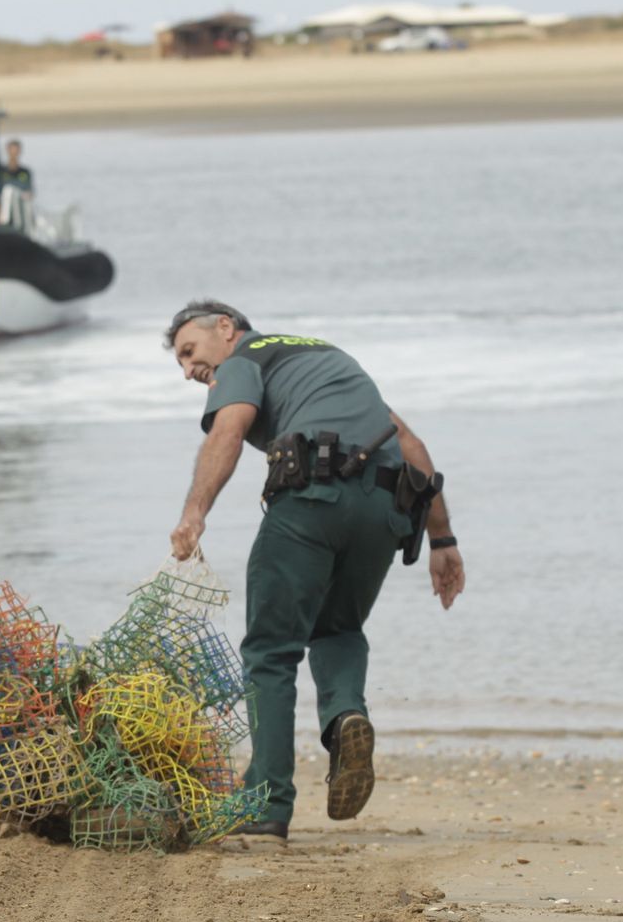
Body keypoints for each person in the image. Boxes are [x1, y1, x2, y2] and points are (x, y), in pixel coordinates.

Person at [164, 299, 465, 844]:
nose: (188, 371)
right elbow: (413, 447)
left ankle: (266, 803)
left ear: (226, 329)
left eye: (189, 352)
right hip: (386, 510)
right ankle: (346, 716)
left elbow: (229, 431)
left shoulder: (242, 361)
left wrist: (194, 512)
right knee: (338, 628)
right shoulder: (326, 357)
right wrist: (443, 541)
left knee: (270, 650)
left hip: (312, 499)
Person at [0, 138, 34, 224]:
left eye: (16, 151)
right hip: (4, 214)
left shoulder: (25, 172)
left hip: (22, 213)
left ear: (19, 152)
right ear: (7, 151)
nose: (14, 153)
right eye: (11, 150)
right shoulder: (0, 172)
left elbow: (30, 193)